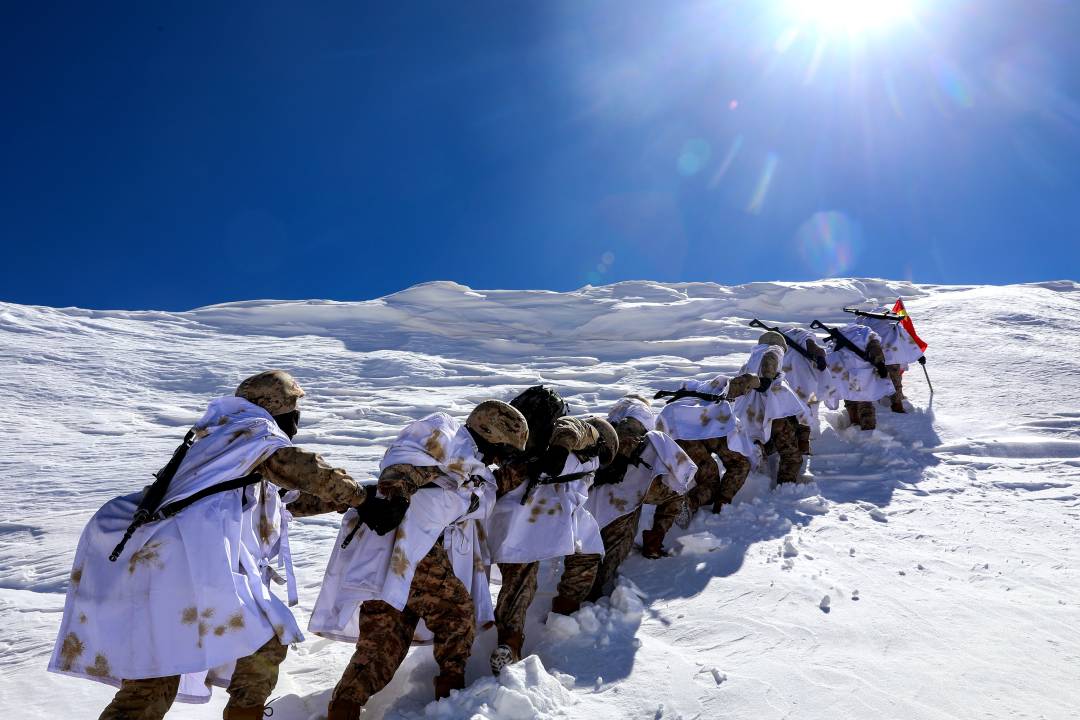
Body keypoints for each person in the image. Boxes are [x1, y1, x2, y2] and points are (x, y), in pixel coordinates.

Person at [49, 370, 369, 720]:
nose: (296, 419)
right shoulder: (253, 432)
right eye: (293, 410)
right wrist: (360, 497)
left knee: (158, 669)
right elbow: (302, 470)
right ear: (277, 408)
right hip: (184, 566)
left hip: (156, 566)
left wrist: (345, 501)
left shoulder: (218, 441)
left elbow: (278, 501)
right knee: (266, 639)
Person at [312, 400, 528, 720]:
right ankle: (452, 702)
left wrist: (530, 464)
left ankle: (344, 708)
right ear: (492, 435)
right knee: (456, 614)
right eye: (504, 450)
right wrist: (398, 496)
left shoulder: (474, 469)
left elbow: (486, 489)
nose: (500, 459)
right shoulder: (446, 434)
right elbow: (406, 462)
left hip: (403, 551)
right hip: (405, 543)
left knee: (385, 639)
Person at [486, 386, 614, 675]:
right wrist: (558, 450)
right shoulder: (586, 441)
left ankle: (510, 641)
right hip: (545, 511)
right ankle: (563, 617)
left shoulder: (529, 450)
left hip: (514, 512)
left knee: (520, 579)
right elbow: (573, 428)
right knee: (586, 554)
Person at [582, 395, 696, 599]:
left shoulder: (614, 415)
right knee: (676, 491)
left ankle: (586, 590)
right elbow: (629, 429)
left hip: (602, 481)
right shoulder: (639, 409)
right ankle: (654, 542)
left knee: (607, 533)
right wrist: (620, 463)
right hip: (632, 481)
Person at [651, 372, 757, 556]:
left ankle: (658, 533)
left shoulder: (694, 393)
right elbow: (734, 458)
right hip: (693, 442)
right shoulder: (720, 408)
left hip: (670, 438)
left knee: (684, 478)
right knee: (717, 477)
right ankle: (701, 503)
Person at [733, 332, 813, 485]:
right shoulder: (774, 350)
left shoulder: (748, 364)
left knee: (760, 444)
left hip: (748, 417)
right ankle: (786, 486)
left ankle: (760, 477)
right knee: (791, 456)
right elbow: (771, 357)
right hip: (773, 414)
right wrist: (766, 380)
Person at [821, 322, 894, 431]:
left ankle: (855, 424)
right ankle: (868, 429)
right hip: (864, 375)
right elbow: (875, 349)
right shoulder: (866, 333)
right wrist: (880, 364)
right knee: (865, 402)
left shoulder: (838, 336)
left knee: (850, 400)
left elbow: (830, 355)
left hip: (845, 375)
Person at [854, 306, 927, 413]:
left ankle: (877, 401)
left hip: (872, 360)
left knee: (873, 381)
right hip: (892, 359)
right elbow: (906, 340)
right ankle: (897, 406)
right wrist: (919, 355)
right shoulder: (892, 324)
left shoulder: (866, 325)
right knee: (895, 383)